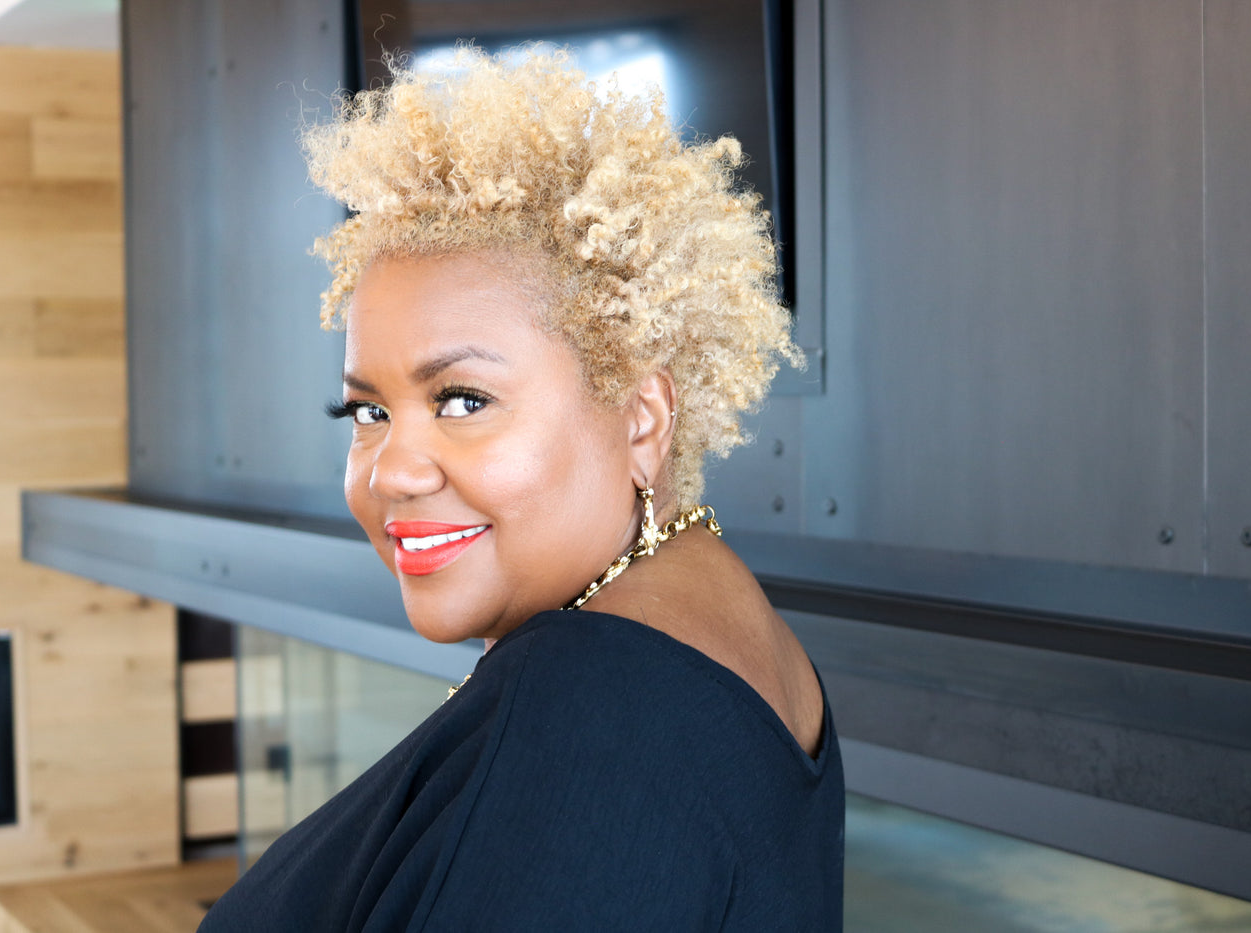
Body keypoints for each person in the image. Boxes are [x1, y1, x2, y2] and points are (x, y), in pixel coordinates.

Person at [199, 47, 843, 931]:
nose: (390, 470)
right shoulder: (721, 632)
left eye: (462, 399)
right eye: (367, 409)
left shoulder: (594, 705)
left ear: (643, 418)